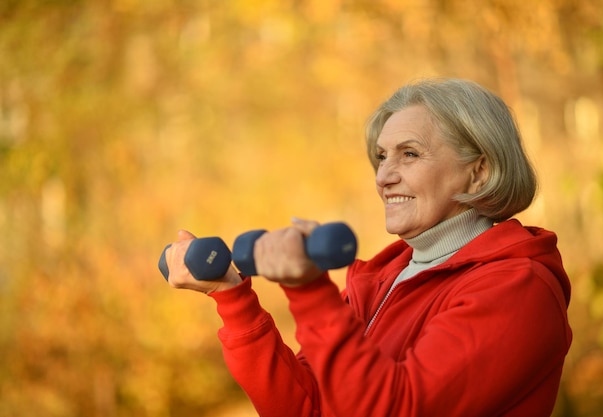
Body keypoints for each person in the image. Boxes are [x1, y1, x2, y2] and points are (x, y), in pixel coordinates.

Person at [164, 78, 572, 417]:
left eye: (409, 154)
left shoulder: (519, 288)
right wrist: (233, 296)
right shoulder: (382, 279)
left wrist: (309, 292)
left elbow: (394, 409)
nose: (383, 177)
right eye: (381, 157)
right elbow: (306, 407)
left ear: (479, 173)